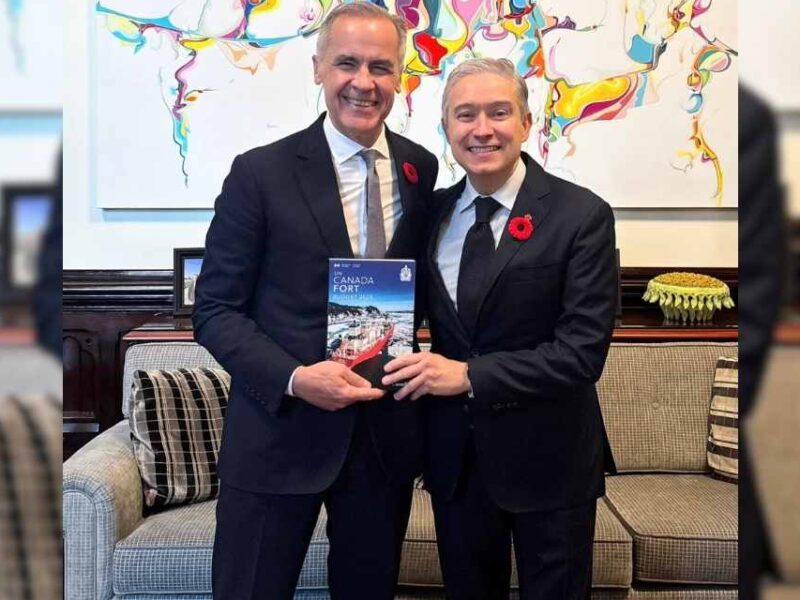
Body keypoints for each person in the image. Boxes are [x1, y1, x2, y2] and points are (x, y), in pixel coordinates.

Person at [192, 3, 438, 599]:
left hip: (381, 439)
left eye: (381, 67)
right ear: (318, 69)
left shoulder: (420, 169)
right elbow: (215, 311)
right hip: (279, 433)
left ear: (401, 76)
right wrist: (298, 378)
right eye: (346, 63)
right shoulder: (259, 174)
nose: (364, 82)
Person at [383, 58, 617, 600]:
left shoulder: (581, 215)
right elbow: (396, 310)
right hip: (455, 464)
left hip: (550, 460)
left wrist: (467, 376)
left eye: (498, 112)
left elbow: (582, 354)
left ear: (528, 123)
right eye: (465, 115)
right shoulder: (430, 214)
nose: (481, 128)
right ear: (446, 130)